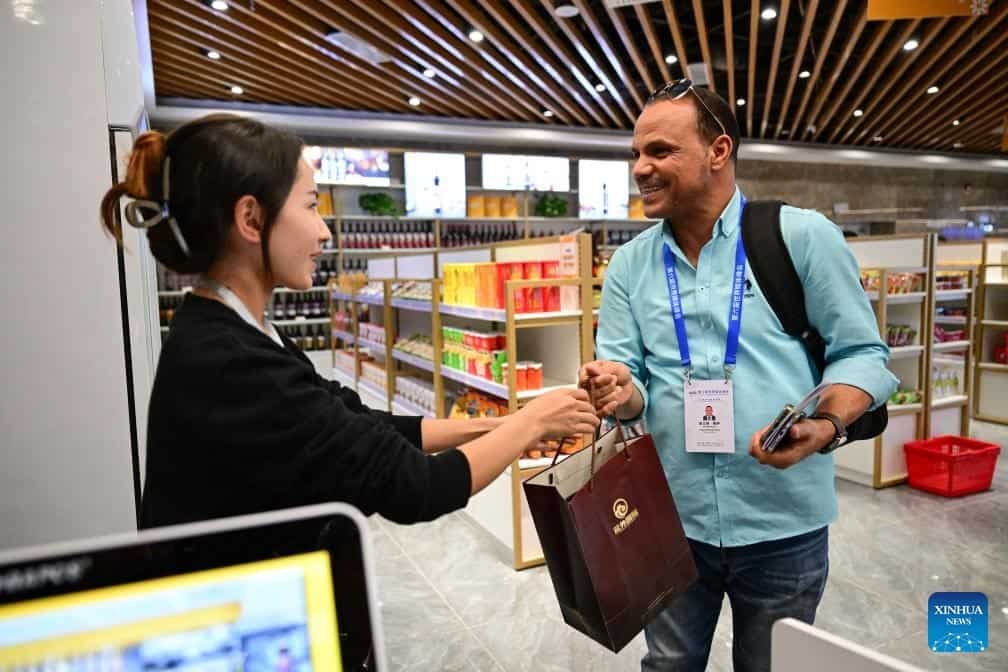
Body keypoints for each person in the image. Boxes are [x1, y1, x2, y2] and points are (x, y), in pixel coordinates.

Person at [100, 113, 599, 529]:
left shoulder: (236, 331)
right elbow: (417, 487)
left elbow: (358, 422)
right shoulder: (230, 362)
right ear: (251, 219)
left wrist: (499, 425)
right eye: (311, 206)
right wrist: (532, 422)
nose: (324, 232)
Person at [580, 81, 897, 672]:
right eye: (636, 154)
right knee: (669, 664)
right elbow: (631, 381)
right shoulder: (629, 264)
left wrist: (827, 424)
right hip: (669, 519)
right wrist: (619, 389)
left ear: (718, 150)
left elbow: (862, 354)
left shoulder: (799, 237)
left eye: (660, 151)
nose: (640, 168)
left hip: (782, 522)